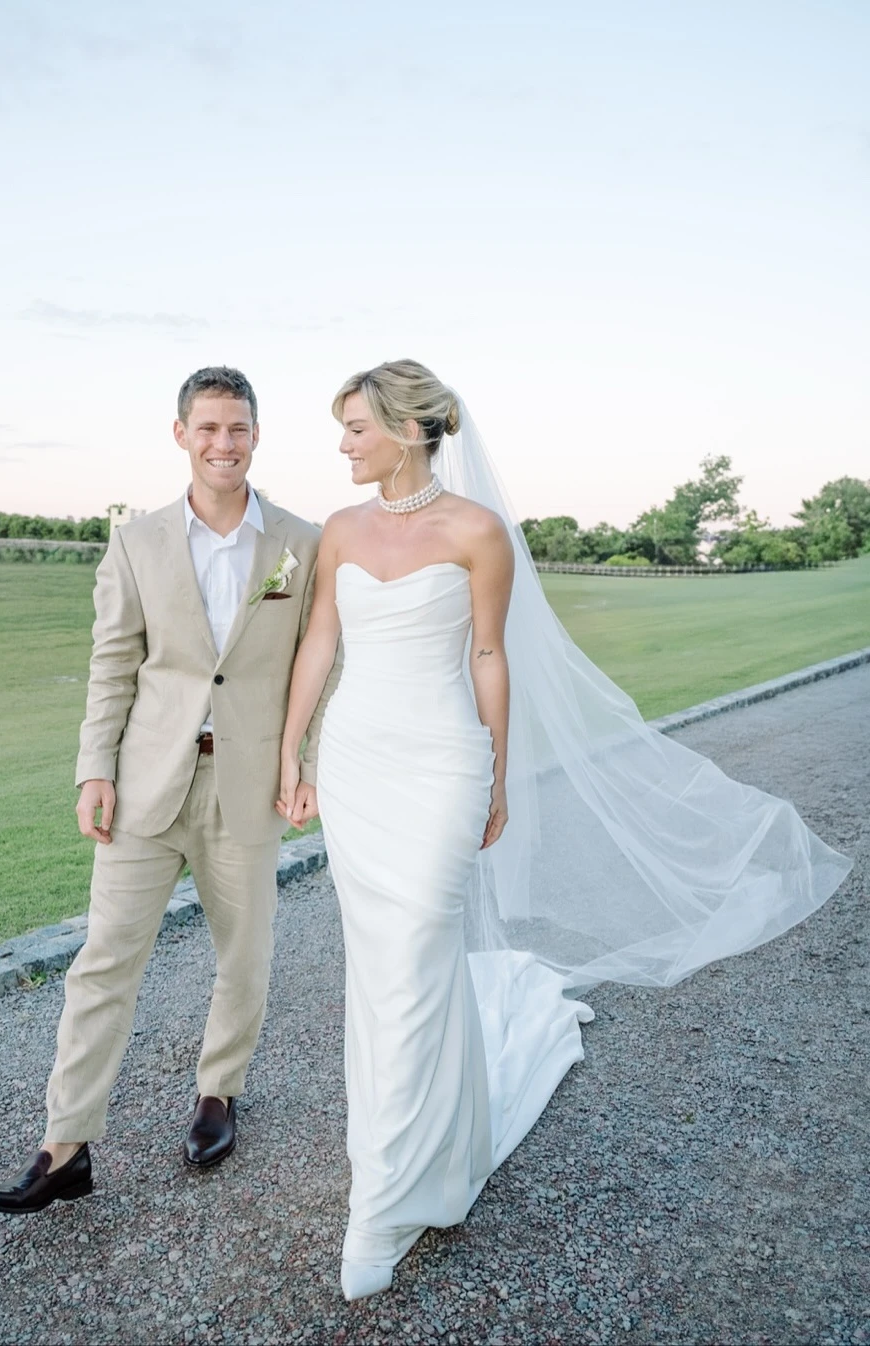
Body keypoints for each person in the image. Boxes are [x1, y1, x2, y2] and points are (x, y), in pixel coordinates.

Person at [277, 359, 851, 1301]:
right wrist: (292, 751)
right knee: (381, 966)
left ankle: (381, 1201)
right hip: (356, 766)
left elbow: (489, 655)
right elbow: (321, 642)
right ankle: (417, 1149)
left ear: (409, 430)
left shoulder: (478, 532)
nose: (342, 444)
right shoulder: (340, 530)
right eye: (341, 428)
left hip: (442, 763)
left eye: (355, 427)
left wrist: (497, 774)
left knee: (417, 947)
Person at [0, 366, 338, 1214]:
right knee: (104, 961)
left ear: (257, 435)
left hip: (250, 782)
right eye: (207, 427)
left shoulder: (303, 541)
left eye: (237, 428)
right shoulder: (136, 541)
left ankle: (219, 1093)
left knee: (243, 955)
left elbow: (322, 665)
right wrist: (94, 768)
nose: (223, 443)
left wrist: (307, 765)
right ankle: (66, 1145)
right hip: (146, 782)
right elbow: (112, 665)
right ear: (181, 435)